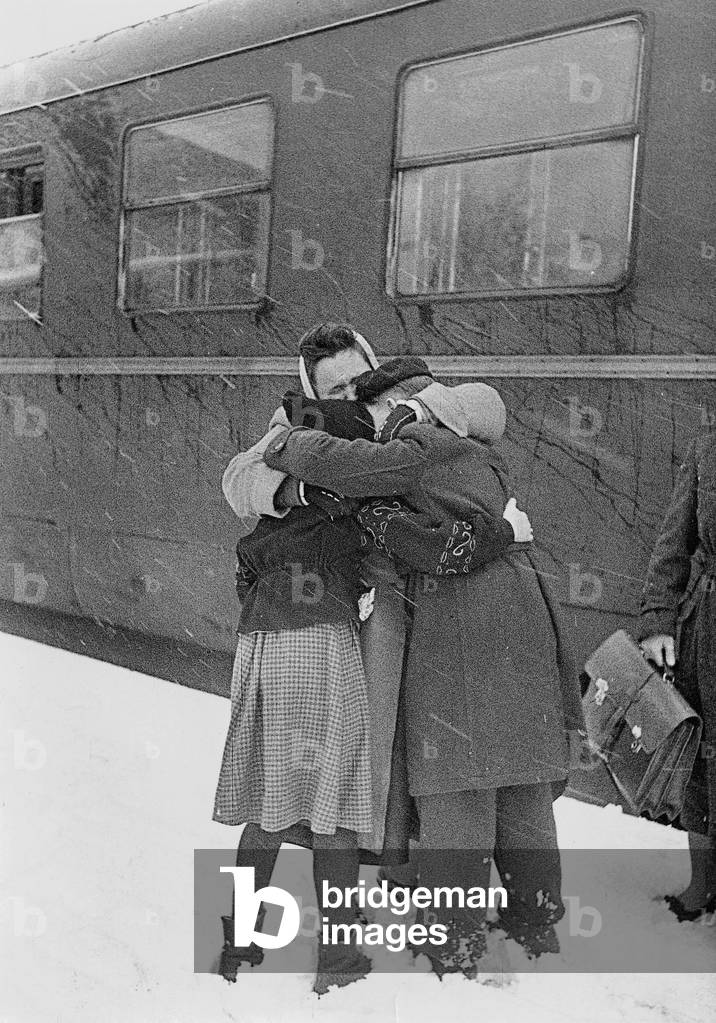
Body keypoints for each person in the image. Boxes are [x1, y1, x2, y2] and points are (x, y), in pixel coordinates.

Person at [261, 360, 586, 976]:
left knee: (457, 782)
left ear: (402, 403)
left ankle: (453, 942)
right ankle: (535, 926)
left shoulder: (420, 440)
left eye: (375, 413)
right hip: (521, 614)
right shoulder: (473, 445)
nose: (373, 427)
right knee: (519, 785)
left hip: (465, 621)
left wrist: (287, 442)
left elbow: (348, 467)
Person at [221, 324, 514, 864]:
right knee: (323, 787)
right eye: (334, 390)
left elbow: (489, 405)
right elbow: (238, 477)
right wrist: (299, 487)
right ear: (313, 396)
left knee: (359, 769)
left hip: (385, 612)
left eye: (359, 379)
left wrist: (426, 409)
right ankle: (333, 934)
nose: (352, 395)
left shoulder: (406, 404)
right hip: (326, 619)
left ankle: (273, 927)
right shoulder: (302, 425)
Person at [636, 431, 716, 921]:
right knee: (701, 759)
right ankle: (702, 886)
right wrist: (658, 619)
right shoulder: (707, 447)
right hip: (704, 628)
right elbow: (673, 542)